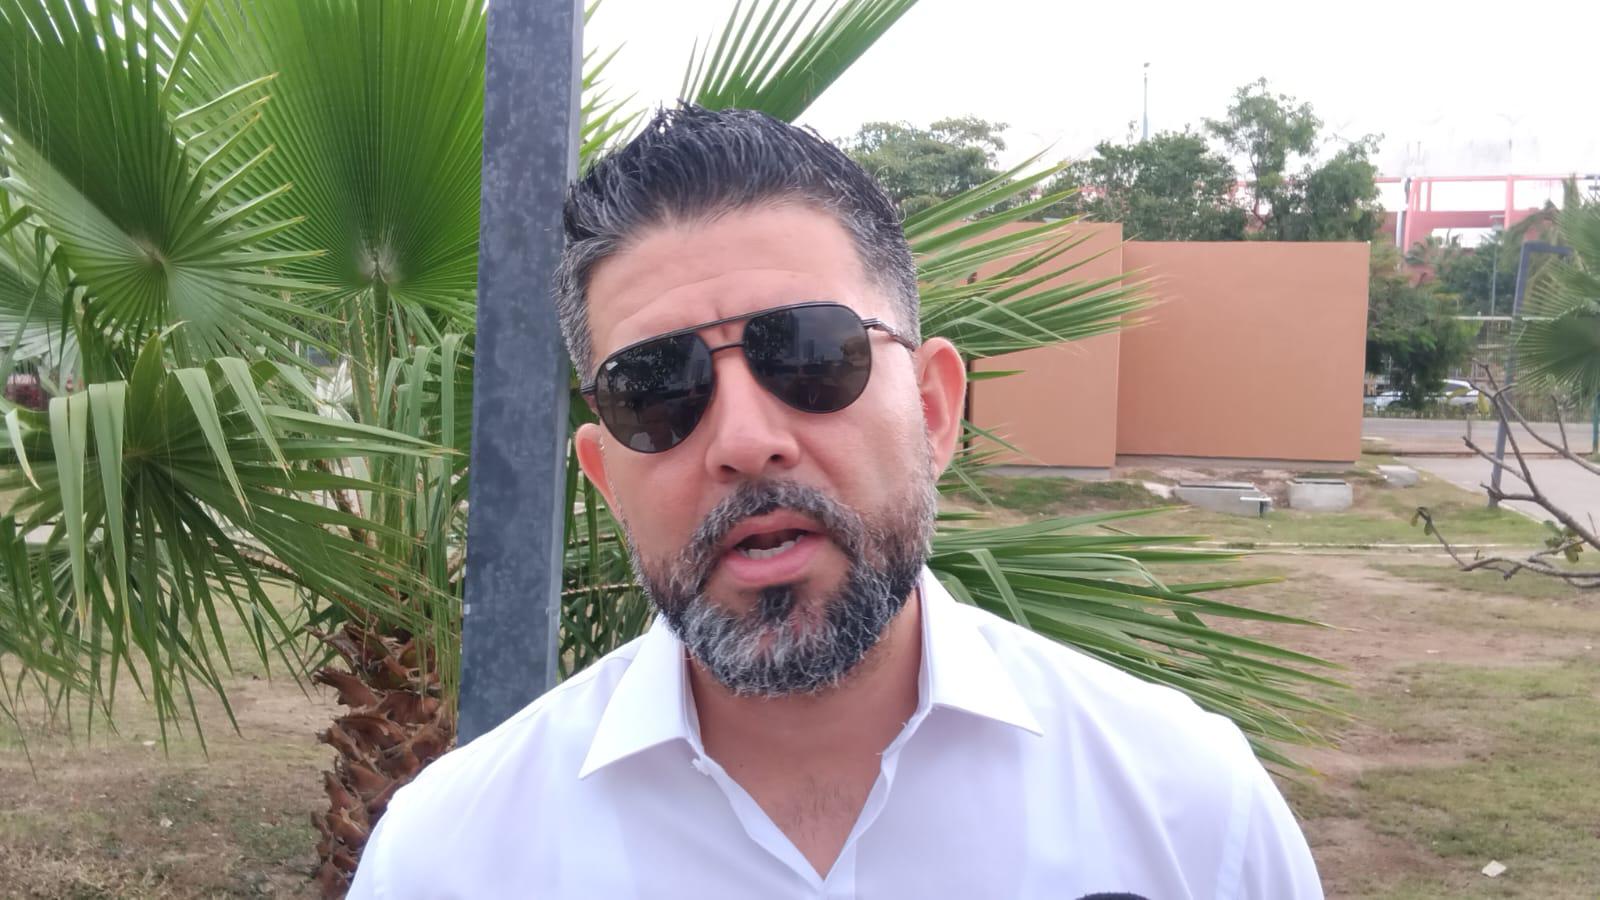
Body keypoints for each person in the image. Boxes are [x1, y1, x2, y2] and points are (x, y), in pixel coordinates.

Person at [348, 104, 1323, 899]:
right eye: (658, 390)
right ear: (608, 479)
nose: (743, 439)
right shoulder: (449, 860)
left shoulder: (1190, 819)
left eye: (810, 354)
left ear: (934, 410)